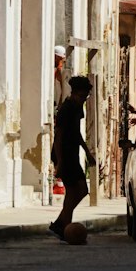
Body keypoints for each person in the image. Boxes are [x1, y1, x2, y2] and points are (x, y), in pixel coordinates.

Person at [49, 74, 93, 241]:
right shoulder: (66, 109)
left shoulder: (77, 107)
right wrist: (59, 162)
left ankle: (62, 224)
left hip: (73, 153)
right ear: (74, 93)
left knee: (76, 191)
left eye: (86, 97)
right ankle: (63, 223)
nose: (83, 99)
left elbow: (76, 133)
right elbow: (58, 136)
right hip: (64, 154)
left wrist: (87, 152)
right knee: (79, 190)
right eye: (81, 96)